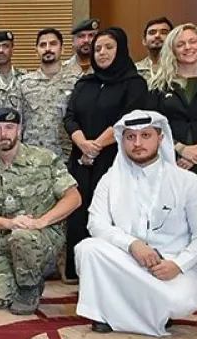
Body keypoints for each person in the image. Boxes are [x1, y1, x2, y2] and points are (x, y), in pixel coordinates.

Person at [75, 110, 197, 335]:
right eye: (130, 137)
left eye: (146, 136)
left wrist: (178, 265)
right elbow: (96, 224)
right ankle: (108, 314)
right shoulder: (110, 180)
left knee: (181, 303)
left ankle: (132, 308)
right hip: (127, 259)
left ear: (161, 138)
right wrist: (132, 244)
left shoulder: (188, 182)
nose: (138, 143)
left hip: (170, 266)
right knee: (88, 249)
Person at [146, 23, 197, 303]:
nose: (188, 48)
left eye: (192, 42)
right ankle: (173, 281)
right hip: (170, 159)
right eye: (180, 44)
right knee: (174, 220)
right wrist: (181, 149)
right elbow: (154, 127)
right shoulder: (159, 86)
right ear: (172, 49)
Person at [0, 108, 82, 314]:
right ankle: (24, 271)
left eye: (9, 128)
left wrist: (42, 221)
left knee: (22, 236)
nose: (3, 134)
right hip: (6, 241)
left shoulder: (44, 159)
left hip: (44, 236)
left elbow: (74, 198)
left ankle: (30, 286)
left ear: (19, 130)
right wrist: (9, 223)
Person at [62, 27, 149, 280]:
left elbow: (129, 119)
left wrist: (96, 146)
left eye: (108, 47)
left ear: (121, 49)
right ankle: (77, 270)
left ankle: (109, 271)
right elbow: (70, 117)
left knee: (109, 215)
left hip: (115, 160)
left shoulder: (134, 84)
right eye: (98, 48)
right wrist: (83, 144)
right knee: (79, 212)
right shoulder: (85, 82)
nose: (101, 53)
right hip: (81, 159)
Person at [13, 28, 81, 161]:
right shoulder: (23, 83)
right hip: (31, 159)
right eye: (43, 45)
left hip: (65, 159)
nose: (48, 49)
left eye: (53, 44)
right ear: (36, 51)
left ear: (62, 49)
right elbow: (16, 123)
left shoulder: (76, 82)